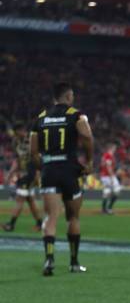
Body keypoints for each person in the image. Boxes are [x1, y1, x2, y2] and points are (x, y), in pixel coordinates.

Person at [30, 82, 94, 276]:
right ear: (68, 97)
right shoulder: (76, 115)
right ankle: (74, 263)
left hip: (49, 170)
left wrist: (45, 167)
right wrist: (89, 161)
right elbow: (87, 136)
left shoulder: (41, 118)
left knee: (50, 217)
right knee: (73, 217)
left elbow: (32, 151)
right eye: (72, 95)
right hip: (69, 170)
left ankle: (49, 259)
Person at [3, 122, 43, 232]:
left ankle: (11, 224)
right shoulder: (15, 142)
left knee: (20, 199)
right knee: (30, 200)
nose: (19, 134)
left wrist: (37, 174)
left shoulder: (31, 141)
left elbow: (38, 157)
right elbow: (17, 160)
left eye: (19, 131)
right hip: (23, 174)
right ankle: (40, 224)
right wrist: (11, 173)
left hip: (30, 174)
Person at [100, 142, 120, 215]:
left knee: (106, 191)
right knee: (117, 190)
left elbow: (102, 165)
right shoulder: (109, 155)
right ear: (111, 148)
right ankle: (109, 208)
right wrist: (112, 177)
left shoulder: (105, 155)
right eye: (114, 148)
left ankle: (104, 209)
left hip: (104, 176)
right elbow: (109, 167)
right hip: (108, 176)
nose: (115, 149)